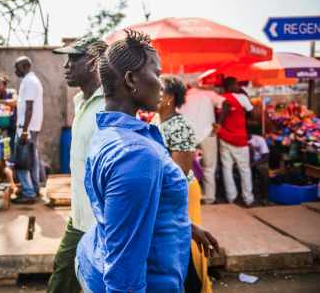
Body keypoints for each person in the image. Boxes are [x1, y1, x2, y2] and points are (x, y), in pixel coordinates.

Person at [76, 30, 218, 293]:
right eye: (157, 73)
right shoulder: (136, 154)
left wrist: (183, 224)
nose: (162, 84)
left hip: (94, 257)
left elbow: (127, 213)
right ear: (131, 80)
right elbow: (124, 271)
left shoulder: (111, 132)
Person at [47, 36, 105, 293]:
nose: (66, 66)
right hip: (79, 214)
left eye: (73, 59)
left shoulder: (108, 107)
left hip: (99, 220)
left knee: (77, 279)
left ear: (94, 63)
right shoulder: (80, 101)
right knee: (64, 271)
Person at [153, 75, 216, 293]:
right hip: (165, 192)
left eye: (159, 88)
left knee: (187, 242)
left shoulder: (180, 124)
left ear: (169, 97)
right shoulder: (155, 120)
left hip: (181, 191)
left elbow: (180, 172)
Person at [178, 83, 229, 205]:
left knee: (187, 169)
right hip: (207, 134)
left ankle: (190, 197)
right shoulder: (208, 94)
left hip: (188, 136)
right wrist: (219, 123)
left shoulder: (182, 99)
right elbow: (226, 103)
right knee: (209, 167)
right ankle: (209, 197)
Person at [218, 77, 255, 207]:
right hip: (239, 138)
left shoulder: (219, 98)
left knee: (227, 168)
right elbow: (253, 116)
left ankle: (231, 198)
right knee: (244, 169)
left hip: (223, 136)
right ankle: (248, 199)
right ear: (233, 85)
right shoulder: (242, 97)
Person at [11, 56, 43, 204]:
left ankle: (28, 192)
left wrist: (24, 131)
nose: (15, 70)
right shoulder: (29, 80)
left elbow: (29, 107)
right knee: (32, 159)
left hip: (27, 128)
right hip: (31, 127)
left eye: (17, 67)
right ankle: (34, 188)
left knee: (22, 160)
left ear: (24, 67)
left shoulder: (30, 82)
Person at [0, 75, 18, 153]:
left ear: (5, 85)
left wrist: (0, 102)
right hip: (5, 124)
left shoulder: (11, 93)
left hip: (15, 122)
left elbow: (15, 102)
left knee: (15, 144)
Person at [248, 132, 270, 205]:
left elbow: (266, 157)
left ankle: (265, 197)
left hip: (259, 162)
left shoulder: (259, 139)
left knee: (262, 169)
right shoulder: (239, 139)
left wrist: (254, 164)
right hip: (246, 163)